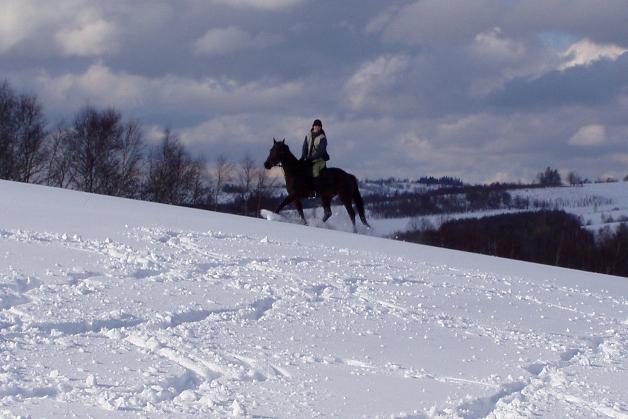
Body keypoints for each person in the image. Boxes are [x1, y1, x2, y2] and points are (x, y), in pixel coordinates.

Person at [300, 119, 330, 195]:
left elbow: (321, 151)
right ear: (313, 126)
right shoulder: (308, 135)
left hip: (319, 160)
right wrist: (303, 157)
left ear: (320, 128)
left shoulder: (323, 137)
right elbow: (305, 147)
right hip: (308, 159)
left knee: (314, 171)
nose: (317, 127)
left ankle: (316, 191)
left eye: (319, 126)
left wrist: (312, 158)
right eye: (315, 125)